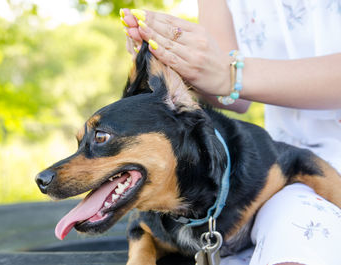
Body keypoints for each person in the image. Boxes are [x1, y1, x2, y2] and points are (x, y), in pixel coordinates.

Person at [120, 1, 341, 264]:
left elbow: (233, 77)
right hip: (283, 171)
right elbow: (235, 98)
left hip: (307, 170)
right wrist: (182, 65)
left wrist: (231, 74)